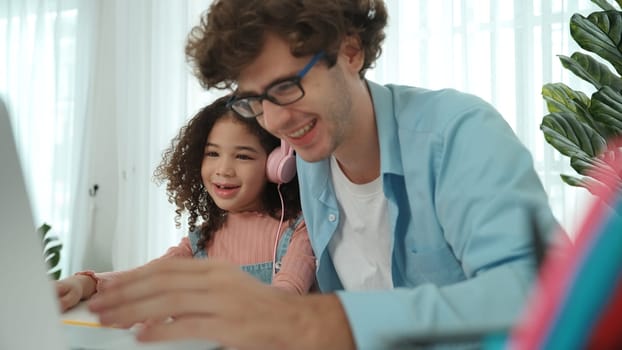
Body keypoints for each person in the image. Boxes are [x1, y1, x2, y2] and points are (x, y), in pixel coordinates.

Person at [88, 1, 562, 349]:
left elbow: (540, 291)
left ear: (351, 52)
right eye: (254, 101)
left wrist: (324, 321)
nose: (273, 122)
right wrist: (97, 284)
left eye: (288, 87)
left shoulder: (458, 134)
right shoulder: (310, 164)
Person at [57, 95, 316, 313]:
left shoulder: (300, 231)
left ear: (277, 166)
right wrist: (85, 284)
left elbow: (286, 298)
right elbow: (147, 278)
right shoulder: (202, 240)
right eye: (212, 154)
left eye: (243, 156)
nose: (223, 169)